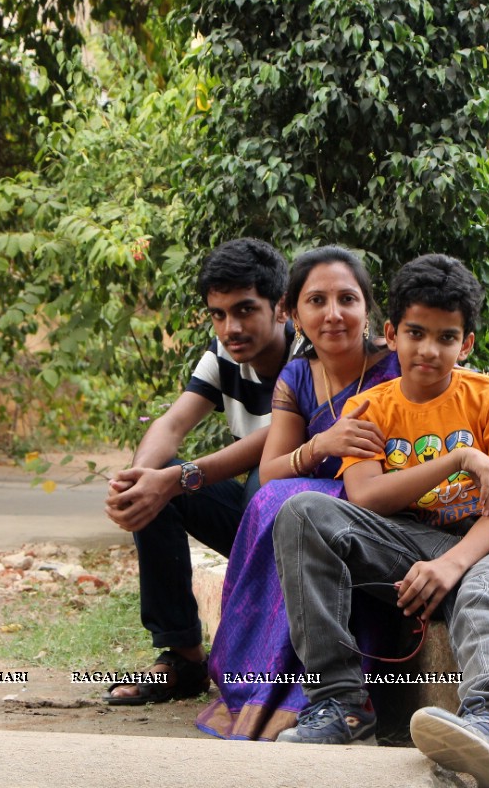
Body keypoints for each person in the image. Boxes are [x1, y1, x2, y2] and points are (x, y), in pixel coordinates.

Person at [272, 254, 489, 788]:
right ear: (390, 333)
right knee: (302, 513)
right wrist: (456, 459)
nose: (429, 350)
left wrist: (451, 565)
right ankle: (342, 707)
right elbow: (365, 496)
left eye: (446, 337)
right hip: (414, 544)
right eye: (416, 332)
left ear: (467, 344)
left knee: (482, 591)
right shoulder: (367, 407)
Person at [197, 245, 400, 740]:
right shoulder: (297, 376)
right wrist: (320, 446)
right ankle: (267, 688)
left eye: (347, 299)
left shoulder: (398, 366)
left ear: (368, 309)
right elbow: (271, 472)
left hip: (387, 510)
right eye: (317, 301)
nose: (333, 314)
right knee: (277, 500)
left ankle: (324, 698)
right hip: (312, 509)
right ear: (293, 312)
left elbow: (474, 433)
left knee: (296, 506)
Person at [103, 237, 292, 705]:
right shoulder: (223, 355)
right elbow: (173, 422)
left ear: (281, 308)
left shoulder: (310, 353)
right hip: (255, 523)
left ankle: (271, 659)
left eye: (245, 310)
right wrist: (138, 480)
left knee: (262, 482)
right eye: (219, 314)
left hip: (307, 525)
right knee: (155, 483)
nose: (231, 327)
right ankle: (184, 658)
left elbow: (278, 440)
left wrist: (176, 478)